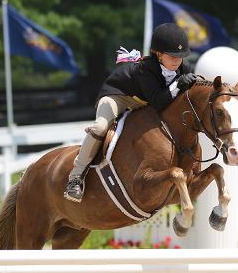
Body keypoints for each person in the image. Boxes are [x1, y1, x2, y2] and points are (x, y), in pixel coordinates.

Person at [64, 23, 201, 203]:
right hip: (119, 95)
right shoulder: (146, 68)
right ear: (158, 54)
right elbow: (159, 102)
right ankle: (76, 177)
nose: (177, 61)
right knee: (101, 126)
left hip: (143, 102)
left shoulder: (185, 68)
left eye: (181, 56)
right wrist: (178, 85)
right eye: (172, 56)